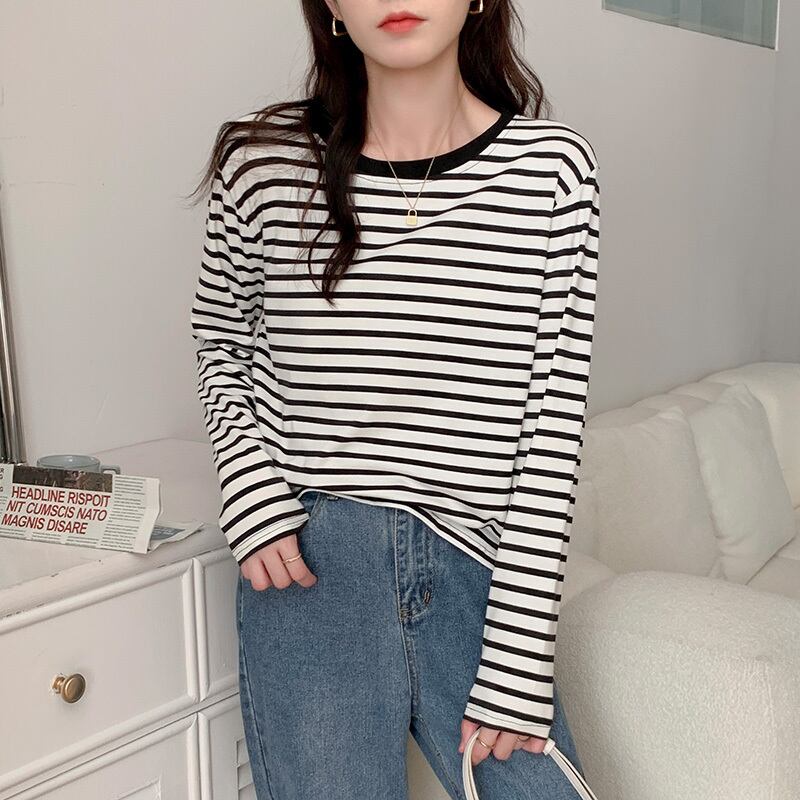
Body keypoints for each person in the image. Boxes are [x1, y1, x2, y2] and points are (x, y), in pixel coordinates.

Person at [188, 1, 600, 797]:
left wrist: (521, 652)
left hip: (481, 571)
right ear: (332, 8)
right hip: (312, 567)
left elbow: (553, 423)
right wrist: (251, 492)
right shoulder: (263, 165)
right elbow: (219, 342)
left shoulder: (553, 171)